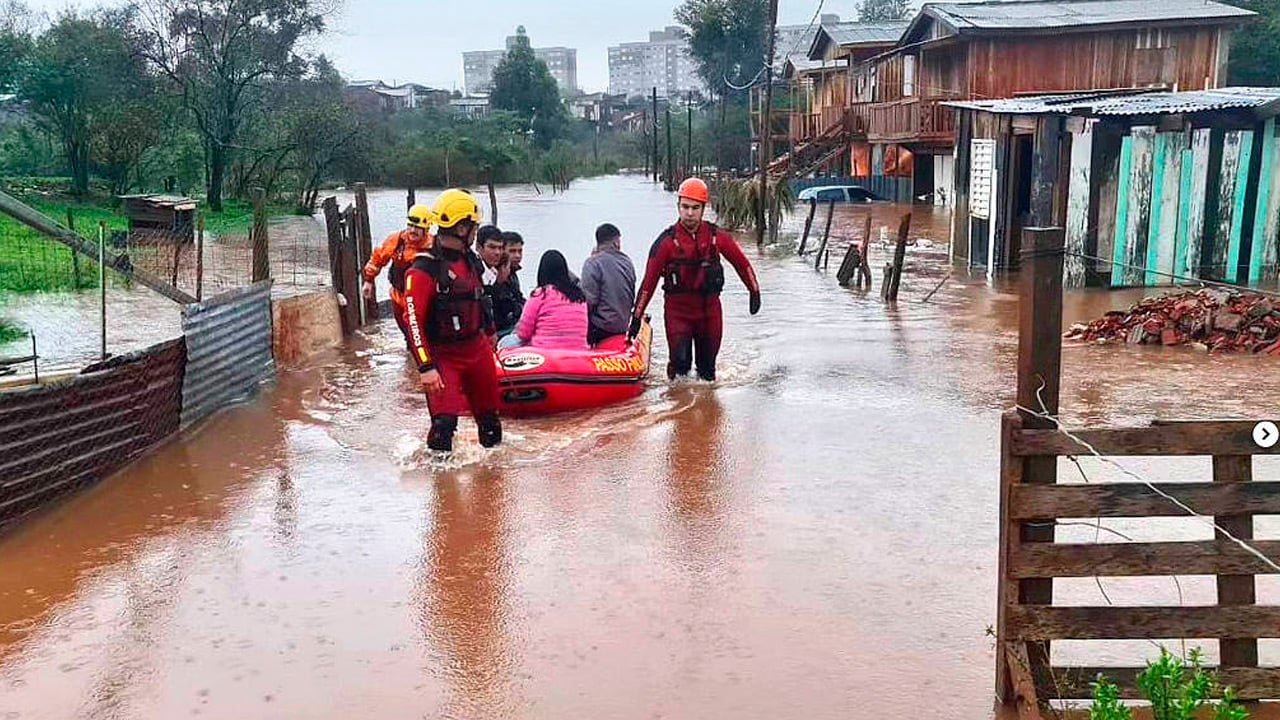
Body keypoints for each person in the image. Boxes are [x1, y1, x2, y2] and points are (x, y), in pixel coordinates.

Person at [630, 177, 761, 382]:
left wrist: (754, 291)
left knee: (707, 372)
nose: (689, 213)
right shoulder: (665, 242)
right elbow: (649, 283)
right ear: (678, 206)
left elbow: (742, 264)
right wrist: (636, 317)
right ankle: (679, 409)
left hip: (710, 314)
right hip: (677, 314)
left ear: (703, 208)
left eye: (695, 208)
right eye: (685, 207)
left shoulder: (717, 237)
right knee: (680, 367)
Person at [402, 188, 501, 452]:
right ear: (461, 228)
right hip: (443, 355)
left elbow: (481, 297)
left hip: (476, 348)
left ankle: (493, 484)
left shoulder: (470, 260)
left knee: (491, 424)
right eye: (473, 226)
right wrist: (425, 367)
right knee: (443, 428)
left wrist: (491, 332)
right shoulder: (423, 270)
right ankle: (442, 490)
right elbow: (413, 321)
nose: (476, 231)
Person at [362, 204, 434, 338]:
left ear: (426, 228)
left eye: (418, 228)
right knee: (408, 336)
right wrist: (368, 281)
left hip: (422, 302)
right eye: (410, 225)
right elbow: (378, 258)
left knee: (422, 337)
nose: (412, 230)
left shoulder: (433, 247)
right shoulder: (396, 241)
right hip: (398, 297)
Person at [500, 250, 588, 350]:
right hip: (579, 349)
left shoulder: (540, 294)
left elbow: (524, 333)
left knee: (505, 342)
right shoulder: (580, 296)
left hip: (544, 350)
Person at [581, 222, 636, 347]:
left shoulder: (592, 263)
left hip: (602, 328)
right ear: (616, 243)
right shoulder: (627, 262)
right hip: (623, 324)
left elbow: (589, 301)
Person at [477, 225, 525, 338]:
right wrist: (499, 284)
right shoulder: (481, 273)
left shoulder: (510, 274)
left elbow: (518, 298)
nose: (517, 256)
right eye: (512, 251)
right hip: (497, 331)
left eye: (520, 251)